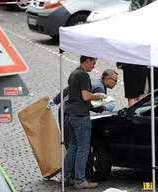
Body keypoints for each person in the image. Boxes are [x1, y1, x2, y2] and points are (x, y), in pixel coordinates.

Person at [63, 56, 107, 189]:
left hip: (70, 114)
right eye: (93, 63)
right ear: (87, 61)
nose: (94, 66)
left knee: (73, 146)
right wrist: (99, 96)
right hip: (80, 115)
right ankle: (80, 180)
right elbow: (86, 96)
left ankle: (66, 177)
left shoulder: (73, 73)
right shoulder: (83, 75)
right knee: (83, 148)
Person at [47, 69, 118, 148]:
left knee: (68, 141)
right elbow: (93, 106)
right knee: (74, 144)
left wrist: (55, 100)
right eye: (115, 80)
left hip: (63, 108)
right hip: (72, 112)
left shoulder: (92, 80)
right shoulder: (100, 89)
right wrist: (105, 107)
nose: (116, 83)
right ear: (108, 79)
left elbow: (69, 88)